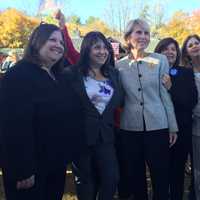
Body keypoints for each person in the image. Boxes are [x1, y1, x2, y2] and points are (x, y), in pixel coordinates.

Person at [0, 23, 85, 200]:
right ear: (36, 42)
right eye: (52, 39)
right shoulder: (18, 75)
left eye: (61, 42)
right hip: (30, 169)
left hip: (55, 163)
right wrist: (22, 169)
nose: (58, 45)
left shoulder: (58, 76)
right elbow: (12, 126)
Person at [116, 19, 178, 200]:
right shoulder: (119, 65)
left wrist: (172, 126)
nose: (143, 36)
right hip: (130, 128)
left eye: (146, 33)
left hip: (158, 125)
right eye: (138, 32)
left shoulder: (160, 60)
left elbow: (164, 94)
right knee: (135, 175)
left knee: (160, 174)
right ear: (128, 37)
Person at [64, 31, 122, 200]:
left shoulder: (113, 74)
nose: (102, 51)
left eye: (105, 47)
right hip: (80, 137)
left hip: (105, 136)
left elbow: (119, 101)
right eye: (97, 47)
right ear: (86, 50)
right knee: (85, 182)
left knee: (112, 179)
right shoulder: (72, 74)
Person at [154, 37, 198, 200]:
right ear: (158, 52)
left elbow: (190, 101)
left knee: (177, 174)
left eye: (173, 49)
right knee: (159, 173)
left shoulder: (185, 73)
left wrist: (171, 88)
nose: (169, 52)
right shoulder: (150, 72)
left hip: (181, 131)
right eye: (165, 49)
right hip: (156, 130)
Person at [181, 34, 200, 200]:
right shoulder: (184, 72)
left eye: (197, 43)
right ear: (186, 52)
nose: (194, 46)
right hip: (195, 124)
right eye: (190, 45)